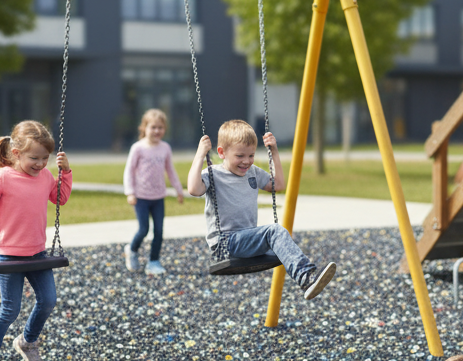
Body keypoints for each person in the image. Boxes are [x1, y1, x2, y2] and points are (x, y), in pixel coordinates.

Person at [0, 120, 72, 361]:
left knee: (49, 300)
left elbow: (59, 198)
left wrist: (66, 172)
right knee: (10, 309)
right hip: (8, 255)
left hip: (37, 251)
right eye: (34, 158)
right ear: (16, 153)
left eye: (45, 159)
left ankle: (27, 341)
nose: (40, 164)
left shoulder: (46, 176)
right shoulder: (2, 176)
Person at [187, 119, 335, 299]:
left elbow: (278, 184)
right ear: (221, 152)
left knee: (285, 244)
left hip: (246, 239)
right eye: (240, 156)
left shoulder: (253, 173)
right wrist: (200, 154)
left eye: (251, 155)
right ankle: (306, 278)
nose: (246, 161)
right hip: (225, 244)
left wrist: (273, 151)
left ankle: (306, 276)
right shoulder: (213, 174)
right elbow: (194, 189)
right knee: (276, 233)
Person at [123, 108, 185, 275]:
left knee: (159, 230)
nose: (157, 131)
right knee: (143, 229)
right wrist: (130, 192)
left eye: (160, 127)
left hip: (158, 197)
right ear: (144, 128)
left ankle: (154, 261)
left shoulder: (165, 148)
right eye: (153, 127)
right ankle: (132, 249)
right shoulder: (138, 148)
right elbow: (129, 170)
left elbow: (170, 170)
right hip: (141, 197)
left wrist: (179, 190)